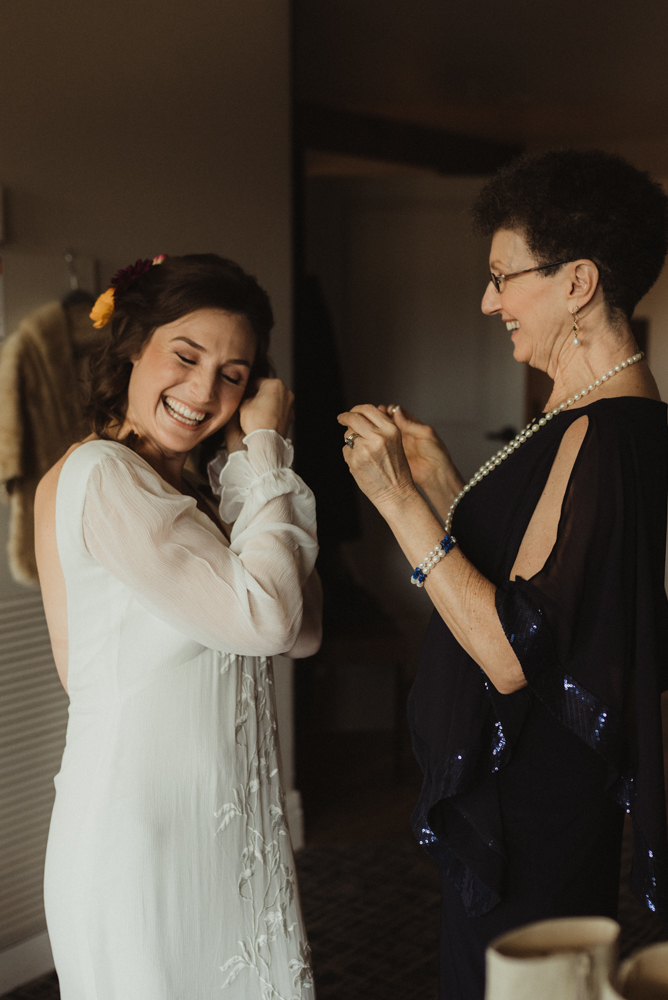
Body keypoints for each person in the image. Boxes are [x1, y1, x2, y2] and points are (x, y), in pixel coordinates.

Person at [337, 150, 668, 999]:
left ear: (577, 282)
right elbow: (546, 580)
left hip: (534, 807)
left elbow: (515, 651)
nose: (489, 301)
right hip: (537, 794)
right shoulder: (587, 420)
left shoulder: (602, 435)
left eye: (502, 277)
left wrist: (396, 505)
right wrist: (445, 486)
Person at [35, 253, 321, 1000]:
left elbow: (304, 627)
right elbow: (270, 618)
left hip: (224, 835)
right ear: (133, 345)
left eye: (234, 374)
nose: (204, 391)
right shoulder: (104, 474)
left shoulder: (192, 488)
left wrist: (246, 472)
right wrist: (264, 451)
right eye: (185, 356)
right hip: (141, 843)